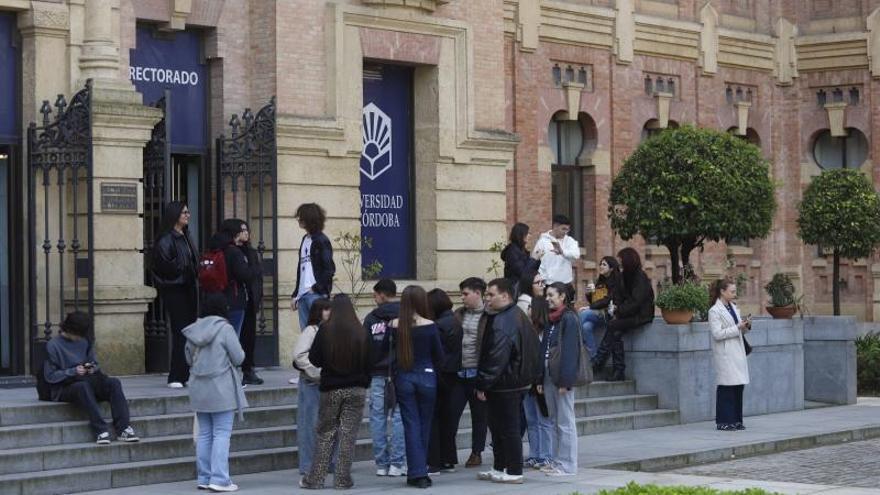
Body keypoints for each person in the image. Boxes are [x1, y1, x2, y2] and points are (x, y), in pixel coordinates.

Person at [300, 295, 372, 490]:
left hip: (331, 388)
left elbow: (314, 359)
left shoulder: (325, 330)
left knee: (326, 433)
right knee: (348, 435)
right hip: (356, 389)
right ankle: (342, 479)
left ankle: (315, 479)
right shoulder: (361, 331)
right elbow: (369, 361)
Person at [475, 278, 542, 485]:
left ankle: (513, 470)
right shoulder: (512, 315)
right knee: (498, 427)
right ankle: (500, 466)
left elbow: (497, 357)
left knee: (508, 428)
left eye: (491, 294)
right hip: (509, 382)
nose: (487, 298)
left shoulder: (505, 320)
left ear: (505, 296)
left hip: (506, 383)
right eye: (486, 294)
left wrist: (482, 383)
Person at [183, 293, 248, 492]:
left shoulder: (194, 329)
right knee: (221, 434)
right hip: (222, 387)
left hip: (199, 387)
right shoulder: (225, 328)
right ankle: (220, 479)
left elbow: (187, 357)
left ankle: (204, 477)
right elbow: (239, 357)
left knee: (204, 434)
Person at [43, 311, 140, 445]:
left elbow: (94, 363)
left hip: (88, 380)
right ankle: (100, 430)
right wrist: (73, 371)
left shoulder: (85, 341)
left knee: (114, 383)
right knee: (83, 387)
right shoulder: (53, 345)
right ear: (69, 329)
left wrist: (91, 368)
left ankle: (123, 428)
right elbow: (50, 376)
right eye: (77, 335)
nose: (79, 338)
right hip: (65, 387)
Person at [390, 286, 444, 489]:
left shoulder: (394, 325)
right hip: (427, 376)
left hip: (404, 377)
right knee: (424, 424)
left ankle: (417, 472)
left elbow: (388, 355)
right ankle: (419, 471)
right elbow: (439, 355)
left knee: (410, 425)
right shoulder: (430, 325)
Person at [362, 278, 406, 477]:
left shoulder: (371, 319)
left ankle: (381, 463)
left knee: (377, 418)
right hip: (400, 373)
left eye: (375, 295)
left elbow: (365, 347)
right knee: (398, 417)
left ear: (381, 294)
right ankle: (398, 463)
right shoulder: (406, 315)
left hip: (378, 374)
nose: (374, 298)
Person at [152, 201, 199, 388]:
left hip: (188, 288)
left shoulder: (185, 236)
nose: (188, 215)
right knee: (180, 333)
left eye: (188, 212)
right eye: (184, 212)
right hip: (175, 290)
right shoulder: (166, 239)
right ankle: (175, 376)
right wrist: (186, 269)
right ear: (174, 215)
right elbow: (164, 266)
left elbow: (192, 262)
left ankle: (185, 374)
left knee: (188, 333)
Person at [593, 248, 655, 381]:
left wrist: (619, 311)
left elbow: (637, 301)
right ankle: (617, 370)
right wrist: (616, 307)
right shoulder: (622, 276)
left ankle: (599, 362)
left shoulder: (640, 277)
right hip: (626, 313)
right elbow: (617, 295)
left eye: (621, 260)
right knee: (615, 332)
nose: (619, 263)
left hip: (641, 315)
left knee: (613, 326)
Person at [539, 282, 581, 476]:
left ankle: (567, 464)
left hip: (561, 377)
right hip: (548, 374)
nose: (547, 299)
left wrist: (566, 381)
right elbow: (544, 349)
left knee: (565, 421)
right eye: (546, 295)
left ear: (562, 296)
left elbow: (571, 351)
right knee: (554, 419)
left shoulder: (569, 318)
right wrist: (540, 378)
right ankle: (557, 461)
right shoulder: (551, 319)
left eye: (551, 295)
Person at [447, 277, 490, 469]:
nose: (462, 298)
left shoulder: (489, 316)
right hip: (458, 373)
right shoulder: (458, 314)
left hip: (477, 374)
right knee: (451, 414)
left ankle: (476, 452)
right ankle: (448, 454)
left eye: (465, 294)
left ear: (478, 293)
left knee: (479, 417)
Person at [516, 270, 554, 470]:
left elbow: (541, 359)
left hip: (539, 381)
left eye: (530, 307)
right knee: (531, 419)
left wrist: (538, 380)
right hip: (527, 381)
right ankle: (535, 454)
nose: (528, 309)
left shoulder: (545, 332)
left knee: (543, 419)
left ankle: (547, 455)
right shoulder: (527, 330)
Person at [292, 298, 333, 476]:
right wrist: (318, 372)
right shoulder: (311, 330)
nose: (329, 312)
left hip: (327, 384)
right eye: (325, 309)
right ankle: (308, 465)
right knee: (309, 425)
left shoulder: (330, 330)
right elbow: (299, 356)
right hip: (311, 384)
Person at [708, 277, 751, 431]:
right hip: (725, 353)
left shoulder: (733, 307)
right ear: (722, 292)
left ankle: (737, 420)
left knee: (738, 387)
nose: (734, 294)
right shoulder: (714, 311)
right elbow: (717, 334)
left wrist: (745, 326)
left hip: (737, 352)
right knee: (726, 387)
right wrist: (737, 327)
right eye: (732, 291)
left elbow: (739, 329)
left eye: (734, 291)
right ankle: (724, 421)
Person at [426, 288, 460, 473]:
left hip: (439, 373)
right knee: (447, 419)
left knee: (434, 419)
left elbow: (435, 352)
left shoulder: (438, 325)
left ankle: (434, 461)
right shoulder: (455, 321)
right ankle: (448, 459)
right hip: (452, 374)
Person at [290, 203, 335, 331]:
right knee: (306, 335)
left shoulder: (321, 240)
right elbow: (301, 269)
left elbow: (329, 269)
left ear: (309, 219)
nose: (299, 220)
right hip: (303, 295)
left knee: (320, 334)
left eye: (301, 217)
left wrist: (316, 288)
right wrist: (296, 295)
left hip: (316, 295)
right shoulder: (305, 239)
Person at [233, 219, 265, 386]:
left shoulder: (251, 252)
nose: (246, 233)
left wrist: (258, 296)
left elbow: (257, 276)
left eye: (247, 230)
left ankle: (248, 369)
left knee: (249, 337)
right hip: (236, 301)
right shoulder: (231, 251)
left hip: (250, 299)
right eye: (242, 230)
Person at [579, 256, 621, 358]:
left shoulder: (616, 282)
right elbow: (594, 300)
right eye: (600, 264)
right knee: (586, 327)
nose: (601, 266)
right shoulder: (600, 280)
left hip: (608, 314)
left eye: (604, 264)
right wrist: (589, 294)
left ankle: (571, 337)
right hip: (597, 313)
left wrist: (590, 307)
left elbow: (608, 300)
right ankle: (593, 358)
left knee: (584, 314)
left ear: (611, 268)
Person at [531, 215, 580, 285]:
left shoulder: (569, 241)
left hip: (565, 284)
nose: (565, 232)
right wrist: (542, 280)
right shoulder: (543, 242)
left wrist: (562, 252)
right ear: (555, 226)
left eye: (567, 229)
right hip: (547, 283)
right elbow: (535, 260)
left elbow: (576, 255)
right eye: (563, 229)